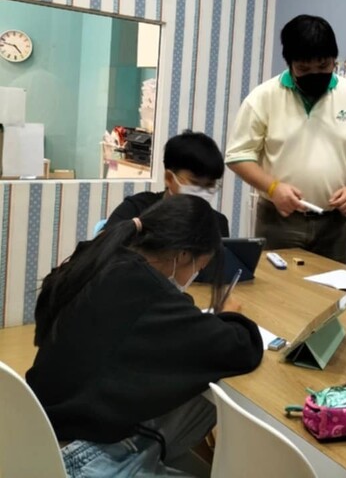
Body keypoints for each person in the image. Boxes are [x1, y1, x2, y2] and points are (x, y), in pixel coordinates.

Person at [27, 195, 263, 477]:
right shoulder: (145, 291)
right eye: (199, 268)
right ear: (183, 255)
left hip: (38, 433)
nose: (194, 276)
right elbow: (241, 348)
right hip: (80, 460)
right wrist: (231, 315)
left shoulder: (100, 258)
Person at [225, 14, 346, 263]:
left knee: (332, 285)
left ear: (334, 60)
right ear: (289, 64)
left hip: (334, 222)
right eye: (304, 69)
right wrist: (273, 188)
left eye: (323, 66)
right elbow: (238, 156)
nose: (315, 74)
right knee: (276, 285)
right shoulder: (263, 97)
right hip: (279, 218)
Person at [104, 130, 229, 282]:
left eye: (209, 185)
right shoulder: (135, 209)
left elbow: (214, 276)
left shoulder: (218, 223)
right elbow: (103, 256)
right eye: (195, 183)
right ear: (169, 178)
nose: (203, 192)